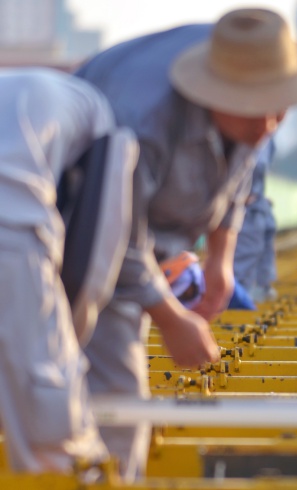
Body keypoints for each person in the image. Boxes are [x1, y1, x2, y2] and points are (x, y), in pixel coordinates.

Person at [75, 8, 297, 479]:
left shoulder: (250, 93)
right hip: (68, 225)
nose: (270, 125)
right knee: (103, 388)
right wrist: (171, 320)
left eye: (280, 109)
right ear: (214, 95)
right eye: (258, 111)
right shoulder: (138, 122)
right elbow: (113, 237)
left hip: (140, 229)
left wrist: (221, 260)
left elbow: (239, 176)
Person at [0, 68, 138, 473]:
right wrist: (69, 341)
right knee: (55, 420)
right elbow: (98, 260)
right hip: (12, 231)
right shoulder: (103, 119)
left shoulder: (22, 90)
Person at [233, 136, 279, 304]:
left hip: (257, 203)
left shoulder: (268, 139)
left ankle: (261, 286)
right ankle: (239, 295)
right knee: (245, 250)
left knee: (264, 239)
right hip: (243, 206)